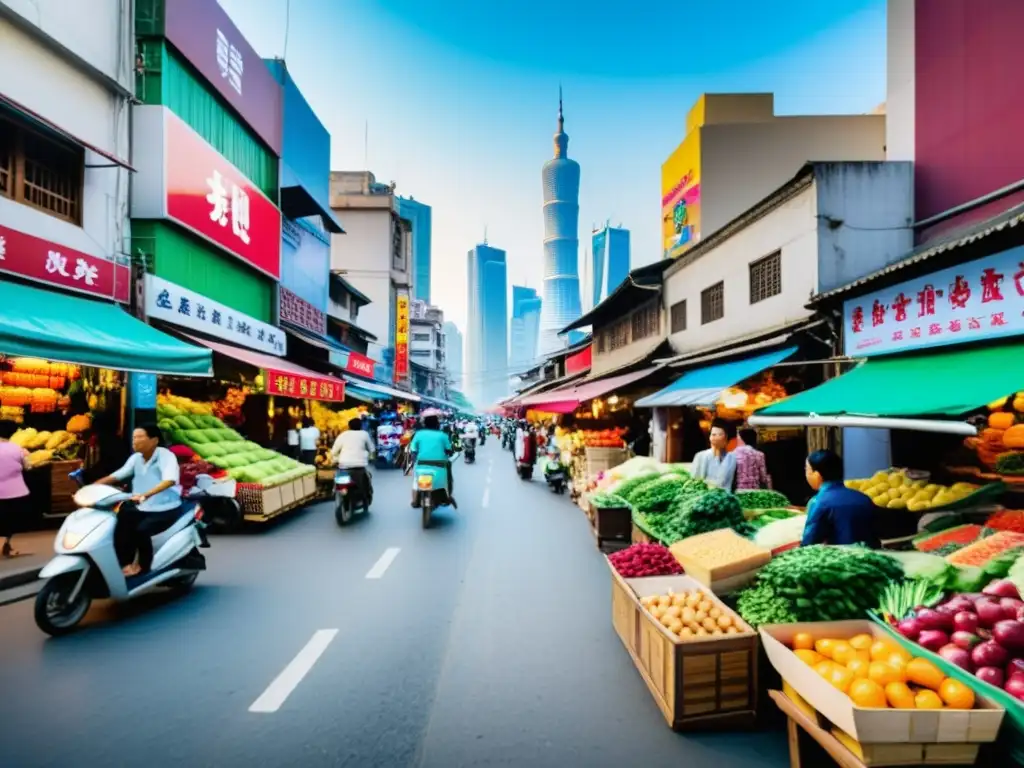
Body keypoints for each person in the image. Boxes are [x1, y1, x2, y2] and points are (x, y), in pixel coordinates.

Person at [97, 424, 183, 577]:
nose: (134, 441)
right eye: (133, 438)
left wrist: (146, 494)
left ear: (154, 440)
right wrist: (94, 485)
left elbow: (169, 480)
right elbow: (118, 475)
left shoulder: (165, 456)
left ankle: (143, 566)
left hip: (165, 507)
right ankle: (123, 562)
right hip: (142, 506)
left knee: (141, 530)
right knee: (119, 523)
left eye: (139, 437)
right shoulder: (136, 458)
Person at [801, 449, 879, 548]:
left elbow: (809, 544)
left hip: (842, 560)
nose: (806, 474)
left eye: (807, 470)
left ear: (817, 475)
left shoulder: (818, 502)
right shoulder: (864, 498)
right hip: (872, 558)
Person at [409, 414, 456, 507]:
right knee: (448, 475)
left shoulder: (419, 434)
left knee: (415, 480)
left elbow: (413, 449)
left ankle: (415, 500)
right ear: (437, 424)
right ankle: (448, 496)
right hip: (439, 465)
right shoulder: (442, 435)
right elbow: (449, 450)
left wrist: (414, 457)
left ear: (425, 423)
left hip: (421, 464)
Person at [0, 420, 31, 558]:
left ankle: (4, 545)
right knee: (10, 519)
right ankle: (6, 544)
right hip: (15, 492)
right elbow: (28, 467)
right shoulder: (17, 449)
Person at [330, 418, 376, 499]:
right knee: (368, 477)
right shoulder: (364, 434)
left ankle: (335, 490)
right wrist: (371, 456)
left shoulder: (343, 435)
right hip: (360, 465)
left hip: (344, 465)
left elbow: (333, 451)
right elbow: (372, 449)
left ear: (349, 426)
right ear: (361, 426)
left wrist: (336, 459)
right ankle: (367, 495)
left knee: (338, 477)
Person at [691, 420, 737, 490]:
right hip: (705, 498)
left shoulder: (732, 458)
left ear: (727, 438)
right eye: (713, 434)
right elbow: (694, 482)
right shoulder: (700, 456)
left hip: (726, 498)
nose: (715, 438)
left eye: (720, 434)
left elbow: (733, 483)